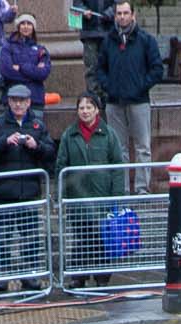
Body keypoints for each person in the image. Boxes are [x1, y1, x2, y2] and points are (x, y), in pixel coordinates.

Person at [0, 83, 55, 291]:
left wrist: (35, 146)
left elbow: (50, 152)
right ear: (9, 102)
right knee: (2, 238)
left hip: (29, 192)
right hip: (3, 192)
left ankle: (29, 276)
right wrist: (4, 141)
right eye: (14, 101)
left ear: (29, 102)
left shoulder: (38, 125)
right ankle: (2, 277)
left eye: (22, 101)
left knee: (30, 239)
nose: (18, 104)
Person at [54, 92, 127, 288]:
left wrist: (118, 198)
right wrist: (59, 196)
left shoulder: (109, 134)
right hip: (78, 200)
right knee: (81, 240)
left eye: (89, 107)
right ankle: (79, 277)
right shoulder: (69, 135)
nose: (85, 111)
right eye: (81, 108)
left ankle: (102, 278)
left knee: (102, 240)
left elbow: (117, 167)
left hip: (102, 199)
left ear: (96, 109)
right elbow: (61, 166)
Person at [97, 0, 164, 191]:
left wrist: (140, 87)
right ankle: (123, 189)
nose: (122, 17)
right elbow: (100, 69)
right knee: (119, 149)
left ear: (133, 15)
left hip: (139, 101)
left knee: (143, 148)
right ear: (115, 16)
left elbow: (157, 69)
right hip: (114, 102)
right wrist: (109, 87)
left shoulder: (146, 40)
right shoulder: (108, 40)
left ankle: (142, 188)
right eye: (119, 13)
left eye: (126, 13)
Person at [0, 12, 52, 105]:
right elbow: (6, 71)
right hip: (13, 99)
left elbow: (43, 73)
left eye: (29, 24)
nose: (26, 26)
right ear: (18, 27)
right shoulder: (7, 47)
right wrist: (33, 75)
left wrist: (21, 67)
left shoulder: (41, 50)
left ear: (33, 27)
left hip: (35, 98)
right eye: (23, 23)